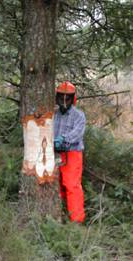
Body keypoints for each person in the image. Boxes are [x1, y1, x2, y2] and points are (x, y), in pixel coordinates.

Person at [54, 81, 86, 223]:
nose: (64, 100)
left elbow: (77, 133)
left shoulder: (79, 115)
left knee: (72, 185)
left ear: (73, 98)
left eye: (68, 97)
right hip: (55, 154)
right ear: (57, 97)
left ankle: (76, 221)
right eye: (62, 97)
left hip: (72, 154)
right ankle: (57, 217)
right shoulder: (54, 114)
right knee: (56, 184)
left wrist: (64, 139)